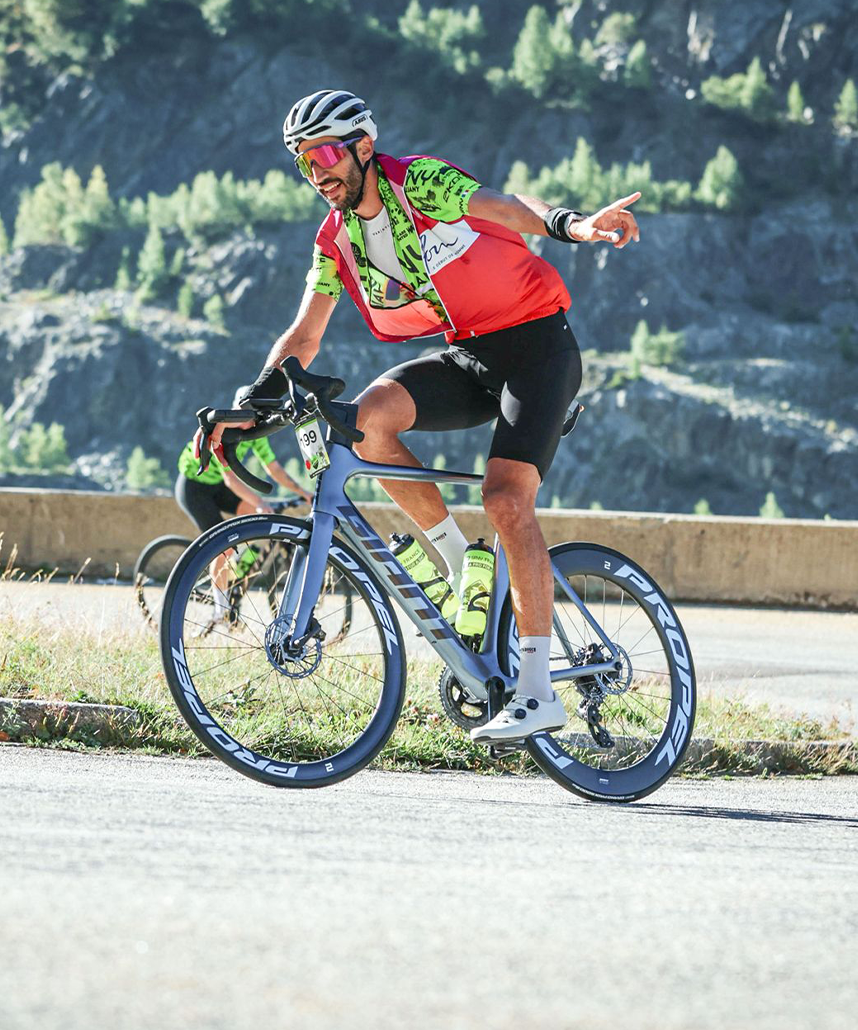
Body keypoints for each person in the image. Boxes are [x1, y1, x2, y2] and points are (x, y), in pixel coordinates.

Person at [213, 89, 640, 743]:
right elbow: (305, 333)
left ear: (361, 146)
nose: (318, 173)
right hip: (470, 354)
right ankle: (457, 572)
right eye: (304, 163)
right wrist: (252, 399)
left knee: (505, 500)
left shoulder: (420, 184)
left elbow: (503, 206)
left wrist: (573, 224)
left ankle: (535, 689)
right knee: (369, 417)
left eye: (325, 154)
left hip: (537, 348)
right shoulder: (336, 238)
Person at [177, 386, 312, 624]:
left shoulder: (254, 434)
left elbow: (273, 468)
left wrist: (302, 492)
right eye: (251, 416)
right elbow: (231, 479)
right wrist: (260, 501)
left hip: (218, 487)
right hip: (194, 488)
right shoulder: (220, 431)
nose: (254, 424)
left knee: (252, 516)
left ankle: (236, 571)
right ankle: (220, 609)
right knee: (224, 546)